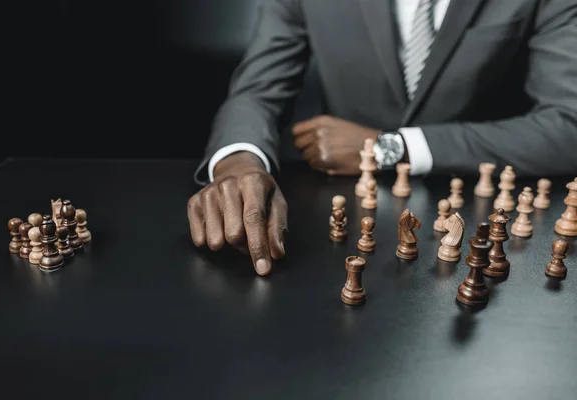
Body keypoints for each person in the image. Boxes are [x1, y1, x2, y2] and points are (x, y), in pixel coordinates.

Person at [187, 0, 577, 276]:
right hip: (340, 225)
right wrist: (238, 162)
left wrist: (390, 147)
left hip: (479, 214)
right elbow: (257, 91)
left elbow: (568, 125)